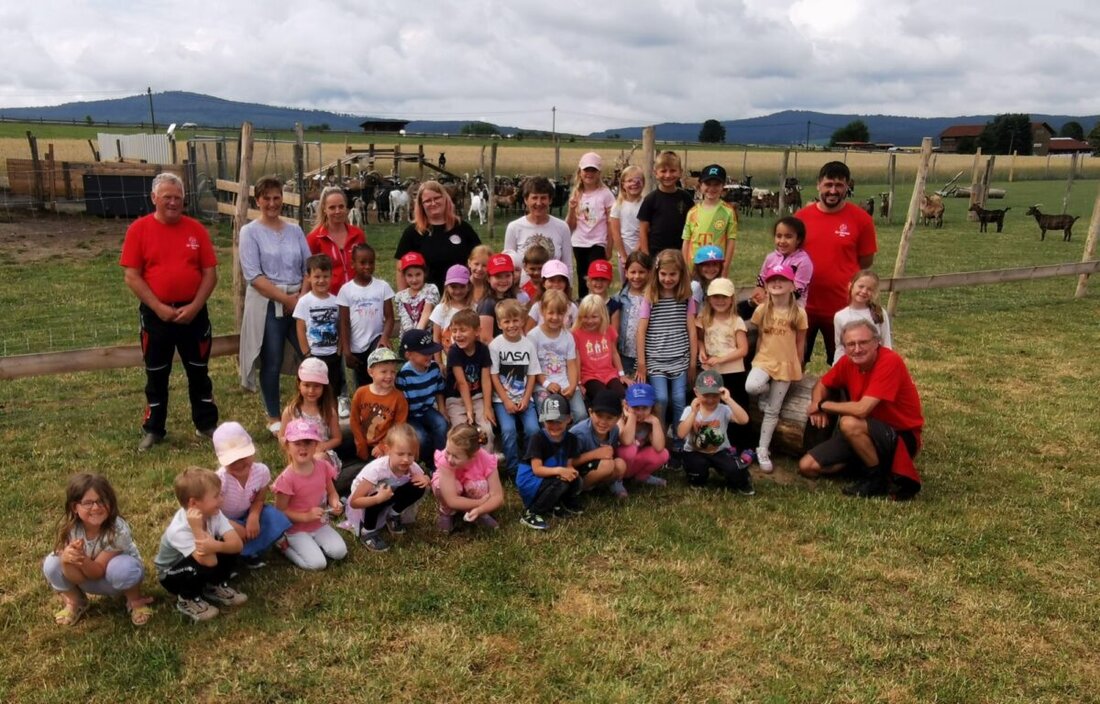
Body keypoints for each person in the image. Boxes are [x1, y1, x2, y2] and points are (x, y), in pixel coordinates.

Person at [119, 172, 219, 451]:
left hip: (194, 314)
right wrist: (159, 308)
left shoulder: (196, 229)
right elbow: (132, 276)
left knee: (199, 372)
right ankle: (154, 428)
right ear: (154, 198)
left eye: (178, 197)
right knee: (156, 373)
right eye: (167, 198)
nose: (173, 203)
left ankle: (206, 424)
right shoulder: (138, 230)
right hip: (156, 316)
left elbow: (210, 274)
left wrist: (195, 306)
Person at [800, 319, 923, 500]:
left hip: (899, 436)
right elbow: (822, 383)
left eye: (863, 342)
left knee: (848, 422)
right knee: (807, 466)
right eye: (851, 344)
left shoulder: (890, 361)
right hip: (863, 430)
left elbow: (862, 409)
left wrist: (822, 406)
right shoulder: (847, 362)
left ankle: (876, 479)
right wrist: (816, 403)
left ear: (876, 342)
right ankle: (869, 465)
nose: (857, 349)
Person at [239, 175, 311, 434]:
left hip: (299, 299)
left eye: (276, 197)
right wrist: (287, 300)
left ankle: (309, 406)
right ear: (258, 201)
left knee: (309, 354)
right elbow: (254, 276)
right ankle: (273, 414)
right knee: (273, 357)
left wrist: (301, 298)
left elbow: (308, 267)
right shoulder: (250, 232)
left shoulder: (295, 230)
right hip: (270, 302)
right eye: (266, 198)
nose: (272, 203)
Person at [43, 473, 154, 627]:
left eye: (101, 501)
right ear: (75, 507)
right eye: (88, 503)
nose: (96, 507)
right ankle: (75, 602)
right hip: (86, 576)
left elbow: (98, 572)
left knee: (123, 568)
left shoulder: (118, 530)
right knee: (52, 563)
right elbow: (78, 579)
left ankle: (134, 600)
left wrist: (80, 558)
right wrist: (66, 561)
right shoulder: (71, 528)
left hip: (116, 577)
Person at [795, 161, 877, 363]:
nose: (833, 190)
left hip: (843, 307)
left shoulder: (861, 219)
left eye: (839, 186)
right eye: (828, 184)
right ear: (818, 185)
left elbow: (865, 260)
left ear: (847, 186)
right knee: (795, 362)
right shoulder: (801, 218)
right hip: (803, 308)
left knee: (845, 363)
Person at [154, 467, 246, 622]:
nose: (221, 500)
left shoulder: (213, 513)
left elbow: (237, 545)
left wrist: (216, 546)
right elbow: (209, 562)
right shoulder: (179, 530)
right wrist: (197, 530)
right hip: (172, 574)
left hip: (201, 559)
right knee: (196, 565)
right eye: (216, 496)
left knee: (226, 547)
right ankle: (187, 599)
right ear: (194, 503)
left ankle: (213, 585)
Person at [746, 265, 809, 473]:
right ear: (766, 285)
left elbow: (800, 341)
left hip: (786, 363)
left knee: (773, 411)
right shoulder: (762, 309)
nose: (776, 283)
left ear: (792, 285)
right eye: (772, 280)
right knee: (752, 386)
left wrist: (798, 364)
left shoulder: (798, 313)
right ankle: (764, 396)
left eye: (782, 280)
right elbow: (760, 336)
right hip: (764, 360)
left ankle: (763, 449)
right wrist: (756, 356)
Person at [636, 249, 697, 462]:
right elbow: (641, 331)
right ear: (657, 273)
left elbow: (691, 330)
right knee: (660, 399)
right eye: (663, 274)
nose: (668, 279)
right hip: (655, 359)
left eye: (673, 274)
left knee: (679, 399)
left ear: (681, 274)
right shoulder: (650, 297)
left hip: (679, 358)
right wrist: (642, 363)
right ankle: (659, 440)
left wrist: (692, 363)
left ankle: (679, 444)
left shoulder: (686, 298)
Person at [212, 422, 292, 570]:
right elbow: (211, 510)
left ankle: (251, 552)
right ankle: (234, 556)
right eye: (232, 461)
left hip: (248, 513)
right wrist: (229, 525)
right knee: (224, 534)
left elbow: (259, 499)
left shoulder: (261, 471)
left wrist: (253, 516)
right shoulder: (219, 480)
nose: (239, 464)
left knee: (270, 515)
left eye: (243, 457)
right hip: (223, 520)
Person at [272, 419, 347, 570]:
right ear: (287, 446)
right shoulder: (286, 479)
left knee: (340, 552)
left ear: (316, 445)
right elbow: (280, 511)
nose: (303, 448)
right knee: (318, 564)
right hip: (295, 529)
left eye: (308, 442)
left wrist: (335, 503)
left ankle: (314, 544)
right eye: (297, 443)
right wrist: (306, 517)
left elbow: (332, 492)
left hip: (319, 524)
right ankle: (284, 546)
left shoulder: (322, 466)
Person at [345, 424, 430, 551]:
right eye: (400, 454)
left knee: (419, 485)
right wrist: (378, 499)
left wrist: (426, 479)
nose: (406, 459)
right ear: (388, 450)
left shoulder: (412, 467)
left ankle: (393, 515)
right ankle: (367, 531)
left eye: (410, 454)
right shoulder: (377, 470)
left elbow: (425, 480)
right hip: (367, 499)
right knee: (378, 495)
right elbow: (354, 502)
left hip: (388, 494)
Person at [697, 278, 754, 461]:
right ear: (708, 298)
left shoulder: (736, 321)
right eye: (715, 297)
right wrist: (701, 351)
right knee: (713, 408)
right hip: (711, 373)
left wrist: (721, 359)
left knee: (736, 407)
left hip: (733, 371)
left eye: (724, 297)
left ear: (731, 298)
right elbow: (699, 339)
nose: (720, 301)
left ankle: (746, 445)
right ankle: (721, 443)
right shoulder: (704, 319)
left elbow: (743, 349)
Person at [394, 180, 482, 292]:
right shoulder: (412, 232)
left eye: (437, 198)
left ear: (445, 199)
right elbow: (400, 269)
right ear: (421, 205)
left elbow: (480, 260)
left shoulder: (462, 228)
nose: (433, 203)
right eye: (427, 201)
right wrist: (404, 299)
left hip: (460, 296)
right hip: (426, 301)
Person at [489, 299, 542, 480]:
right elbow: (494, 375)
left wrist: (527, 399)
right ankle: (512, 468)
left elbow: (532, 374)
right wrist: (506, 400)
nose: (511, 325)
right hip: (502, 400)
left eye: (515, 320)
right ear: (499, 323)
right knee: (509, 431)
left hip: (525, 398)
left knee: (533, 429)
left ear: (522, 321)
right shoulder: (495, 345)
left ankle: (528, 462)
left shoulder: (528, 345)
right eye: (506, 321)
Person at [515, 394, 584, 531]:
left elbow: (568, 464)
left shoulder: (571, 439)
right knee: (561, 482)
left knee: (575, 480)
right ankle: (532, 512)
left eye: (559, 421)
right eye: (549, 421)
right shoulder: (538, 438)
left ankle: (559, 505)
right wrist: (560, 471)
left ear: (568, 419)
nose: (554, 426)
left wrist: (570, 472)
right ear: (543, 421)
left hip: (550, 475)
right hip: (531, 480)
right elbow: (537, 470)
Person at [677, 370, 753, 494]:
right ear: (696, 392)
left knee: (735, 472)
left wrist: (728, 400)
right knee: (697, 473)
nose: (711, 400)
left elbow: (744, 420)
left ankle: (737, 476)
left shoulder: (724, 409)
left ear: (721, 392)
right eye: (706, 395)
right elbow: (681, 434)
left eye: (715, 395)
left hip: (720, 451)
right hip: (695, 451)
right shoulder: (690, 410)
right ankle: (698, 476)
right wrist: (693, 413)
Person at [346, 348, 409, 482]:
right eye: (384, 371)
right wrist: (360, 442)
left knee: (383, 468)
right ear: (371, 372)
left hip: (384, 444)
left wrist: (383, 445)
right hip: (362, 440)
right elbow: (354, 419)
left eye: (393, 371)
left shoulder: (399, 398)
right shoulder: (361, 393)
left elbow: (398, 427)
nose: (389, 376)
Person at [338, 243, 395, 389]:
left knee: (379, 378)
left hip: (376, 340)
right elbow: (343, 322)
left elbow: (389, 317)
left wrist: (384, 337)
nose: (367, 266)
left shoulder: (382, 287)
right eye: (362, 263)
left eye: (371, 262)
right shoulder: (346, 290)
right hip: (357, 347)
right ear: (353, 264)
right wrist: (347, 350)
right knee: (363, 385)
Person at [432, 424, 505, 533]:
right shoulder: (445, 460)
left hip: (471, 488)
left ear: (473, 456)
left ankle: (479, 514)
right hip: (453, 490)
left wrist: (480, 510)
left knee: (477, 486)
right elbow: (451, 500)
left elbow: (498, 496)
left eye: (456, 456)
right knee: (441, 486)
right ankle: (446, 511)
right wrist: (479, 503)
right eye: (448, 452)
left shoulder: (486, 460)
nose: (450, 459)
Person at [293, 253, 344, 410]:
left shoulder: (336, 301)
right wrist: (306, 352)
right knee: (313, 390)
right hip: (314, 354)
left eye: (325, 276)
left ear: (331, 277)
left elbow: (340, 324)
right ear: (308, 277)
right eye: (317, 277)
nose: (321, 280)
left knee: (332, 389)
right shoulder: (304, 301)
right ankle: (312, 416)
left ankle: (332, 419)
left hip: (332, 354)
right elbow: (300, 327)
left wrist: (340, 346)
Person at [528, 289, 586, 422]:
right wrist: (547, 383)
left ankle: (573, 440)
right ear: (542, 311)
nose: (555, 317)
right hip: (543, 384)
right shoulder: (533, 336)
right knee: (547, 416)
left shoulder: (568, 336)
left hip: (565, 382)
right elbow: (534, 366)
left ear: (565, 314)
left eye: (560, 313)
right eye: (551, 313)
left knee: (581, 414)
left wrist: (572, 385)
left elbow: (571, 364)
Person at [742, 216, 814, 320]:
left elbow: (797, 293)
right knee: (739, 310)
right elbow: (761, 281)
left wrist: (769, 298)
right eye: (778, 236)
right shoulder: (770, 257)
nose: (782, 241)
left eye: (788, 236)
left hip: (792, 313)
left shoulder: (803, 262)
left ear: (798, 239)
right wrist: (758, 295)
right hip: (768, 310)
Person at [279, 358, 344, 471]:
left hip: (320, 453)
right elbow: (282, 436)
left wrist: (323, 446)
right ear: (299, 384)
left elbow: (337, 438)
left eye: (317, 386)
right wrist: (292, 448)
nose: (311, 390)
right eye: (307, 385)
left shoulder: (328, 411)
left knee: (318, 460)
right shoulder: (291, 411)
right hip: (299, 453)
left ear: (324, 387)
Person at [443, 309, 496, 448]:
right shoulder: (454, 352)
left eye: (463, 330)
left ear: (477, 331)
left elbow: (485, 379)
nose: (457, 335)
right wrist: (469, 410)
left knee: (487, 431)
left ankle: (486, 464)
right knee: (462, 433)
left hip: (478, 397)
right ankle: (464, 465)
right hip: (456, 400)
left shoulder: (483, 350)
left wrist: (487, 407)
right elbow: (461, 383)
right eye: (454, 331)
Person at [396, 329, 448, 469]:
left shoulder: (434, 368)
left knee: (442, 424)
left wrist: (442, 409)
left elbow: (439, 390)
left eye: (431, 352)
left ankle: (442, 461)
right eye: (424, 353)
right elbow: (400, 402)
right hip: (410, 414)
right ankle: (430, 463)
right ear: (409, 355)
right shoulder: (404, 375)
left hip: (427, 409)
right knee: (421, 438)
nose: (429, 356)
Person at [503, 175, 573, 279]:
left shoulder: (562, 228)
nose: (539, 203)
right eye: (534, 198)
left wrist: (567, 293)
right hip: (522, 292)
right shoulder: (514, 227)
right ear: (526, 200)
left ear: (550, 200)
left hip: (552, 290)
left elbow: (567, 266)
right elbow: (508, 265)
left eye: (543, 198)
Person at [567, 152, 616, 297]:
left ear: (599, 173)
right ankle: (584, 305)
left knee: (597, 276)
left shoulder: (605, 194)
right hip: (579, 242)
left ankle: (599, 304)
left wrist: (609, 246)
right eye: (586, 170)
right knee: (582, 276)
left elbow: (610, 222)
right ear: (580, 172)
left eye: (593, 170)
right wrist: (571, 209)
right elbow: (570, 225)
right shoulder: (576, 193)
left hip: (597, 242)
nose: (589, 173)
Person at [306, 185, 366, 296]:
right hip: (329, 300)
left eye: (341, 206)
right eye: (332, 207)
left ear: (346, 207)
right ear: (324, 209)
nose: (337, 211)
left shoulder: (358, 234)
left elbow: (365, 266)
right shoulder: (315, 238)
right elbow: (308, 274)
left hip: (357, 298)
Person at [569, 389, 629, 498]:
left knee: (620, 464)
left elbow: (611, 455)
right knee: (608, 465)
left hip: (595, 468)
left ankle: (609, 485)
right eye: (599, 415)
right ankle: (578, 489)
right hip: (575, 473)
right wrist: (595, 454)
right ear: (590, 413)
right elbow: (567, 462)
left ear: (618, 418)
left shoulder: (614, 430)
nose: (603, 422)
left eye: (609, 418)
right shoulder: (579, 433)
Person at [681, 164, 738, 274]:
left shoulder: (728, 212)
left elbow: (731, 241)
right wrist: (685, 266)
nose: (712, 188)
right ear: (700, 185)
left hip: (715, 267)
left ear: (723, 186)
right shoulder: (692, 212)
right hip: (694, 267)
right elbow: (686, 241)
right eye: (707, 184)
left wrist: (725, 268)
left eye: (716, 185)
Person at [638, 151, 696, 257]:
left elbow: (693, 226)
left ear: (680, 172)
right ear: (655, 173)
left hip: (680, 252)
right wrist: (646, 253)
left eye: (673, 171)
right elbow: (643, 229)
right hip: (655, 253)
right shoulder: (650, 199)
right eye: (663, 171)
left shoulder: (685, 198)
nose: (668, 175)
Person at [573, 294, 629, 400]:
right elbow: (577, 359)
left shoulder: (608, 330)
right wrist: (578, 382)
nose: (590, 321)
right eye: (585, 317)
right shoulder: (576, 334)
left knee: (621, 394)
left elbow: (614, 353)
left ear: (602, 315)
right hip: (589, 376)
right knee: (602, 396)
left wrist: (622, 374)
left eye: (594, 317)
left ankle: (622, 416)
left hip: (609, 373)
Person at [616, 383, 670, 488]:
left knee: (664, 454)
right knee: (629, 449)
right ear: (626, 405)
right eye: (636, 408)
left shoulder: (650, 421)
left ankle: (641, 476)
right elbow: (626, 441)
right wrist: (631, 416)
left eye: (644, 408)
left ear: (652, 407)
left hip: (633, 463)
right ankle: (617, 481)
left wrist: (655, 422)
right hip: (619, 464)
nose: (640, 412)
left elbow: (659, 447)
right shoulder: (620, 419)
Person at [833, 270, 892, 364]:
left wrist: (887, 362)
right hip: (852, 363)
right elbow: (840, 346)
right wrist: (837, 367)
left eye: (870, 289)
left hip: (875, 363)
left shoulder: (879, 313)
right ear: (850, 286)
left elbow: (886, 341)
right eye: (861, 286)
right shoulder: (840, 316)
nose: (864, 291)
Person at [615, 250, 652, 377]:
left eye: (641, 272)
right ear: (626, 273)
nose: (637, 276)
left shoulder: (653, 298)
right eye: (633, 272)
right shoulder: (619, 298)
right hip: (625, 354)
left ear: (649, 273)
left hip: (648, 355)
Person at [429, 264, 475, 363]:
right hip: (448, 361)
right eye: (453, 287)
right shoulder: (440, 309)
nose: (458, 291)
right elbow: (436, 338)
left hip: (470, 361)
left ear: (469, 286)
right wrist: (439, 363)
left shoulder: (475, 308)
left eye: (462, 286)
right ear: (447, 287)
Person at [478, 253, 526, 343]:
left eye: (507, 275)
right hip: (497, 354)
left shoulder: (513, 299)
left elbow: (520, 330)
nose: (503, 280)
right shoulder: (487, 304)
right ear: (488, 278)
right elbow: (485, 339)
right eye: (498, 276)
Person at [392, 251, 440, 340]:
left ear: (424, 273)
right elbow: (405, 321)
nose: (414, 280)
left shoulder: (431, 289)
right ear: (404, 276)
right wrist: (411, 341)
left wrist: (416, 337)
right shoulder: (400, 297)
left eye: (418, 274)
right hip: (408, 341)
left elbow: (427, 313)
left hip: (427, 340)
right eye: (409, 275)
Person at [609, 164, 645, 278]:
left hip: (642, 250)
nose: (634, 183)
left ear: (643, 183)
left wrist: (636, 251)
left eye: (638, 180)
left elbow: (645, 230)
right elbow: (615, 233)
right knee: (626, 284)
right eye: (629, 181)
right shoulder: (617, 206)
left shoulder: (646, 204)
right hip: (624, 252)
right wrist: (624, 256)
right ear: (623, 184)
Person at [526, 260, 576, 331]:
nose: (556, 284)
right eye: (551, 280)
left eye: (560, 280)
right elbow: (528, 332)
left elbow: (577, 330)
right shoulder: (537, 307)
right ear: (543, 283)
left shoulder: (572, 307)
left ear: (566, 284)